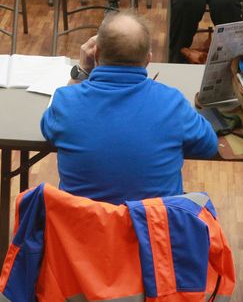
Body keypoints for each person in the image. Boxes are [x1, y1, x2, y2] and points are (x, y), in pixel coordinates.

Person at [40, 12, 218, 204]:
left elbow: (48, 129)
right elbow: (209, 146)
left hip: (81, 223)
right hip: (150, 223)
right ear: (148, 59)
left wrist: (82, 72)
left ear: (96, 54)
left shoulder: (66, 102)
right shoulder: (173, 103)